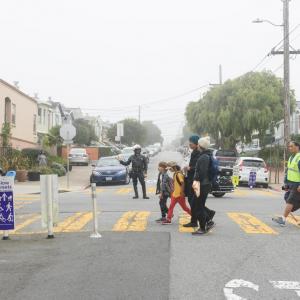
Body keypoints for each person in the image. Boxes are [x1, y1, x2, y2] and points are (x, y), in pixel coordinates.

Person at [191, 137, 215, 235]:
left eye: (198, 144)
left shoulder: (204, 157)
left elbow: (202, 172)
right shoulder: (205, 155)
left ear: (200, 146)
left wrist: (196, 180)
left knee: (198, 207)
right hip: (202, 184)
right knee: (196, 205)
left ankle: (202, 227)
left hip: (202, 184)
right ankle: (209, 218)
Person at [272, 141, 300, 226]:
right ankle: (289, 210)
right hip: (290, 183)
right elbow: (288, 171)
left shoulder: (299, 157)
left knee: (290, 201)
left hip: (297, 183)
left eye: (291, 146)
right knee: (286, 197)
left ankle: (283, 219)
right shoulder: (292, 157)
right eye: (289, 147)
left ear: (297, 147)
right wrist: (285, 184)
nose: (289, 148)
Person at [183, 135, 200, 223]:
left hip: (195, 180)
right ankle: (194, 220)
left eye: (191, 142)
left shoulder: (198, 152)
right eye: (189, 142)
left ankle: (207, 215)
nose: (189, 144)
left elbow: (198, 167)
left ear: (196, 143)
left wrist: (190, 168)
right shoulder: (194, 151)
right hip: (191, 179)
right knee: (191, 200)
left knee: (193, 201)